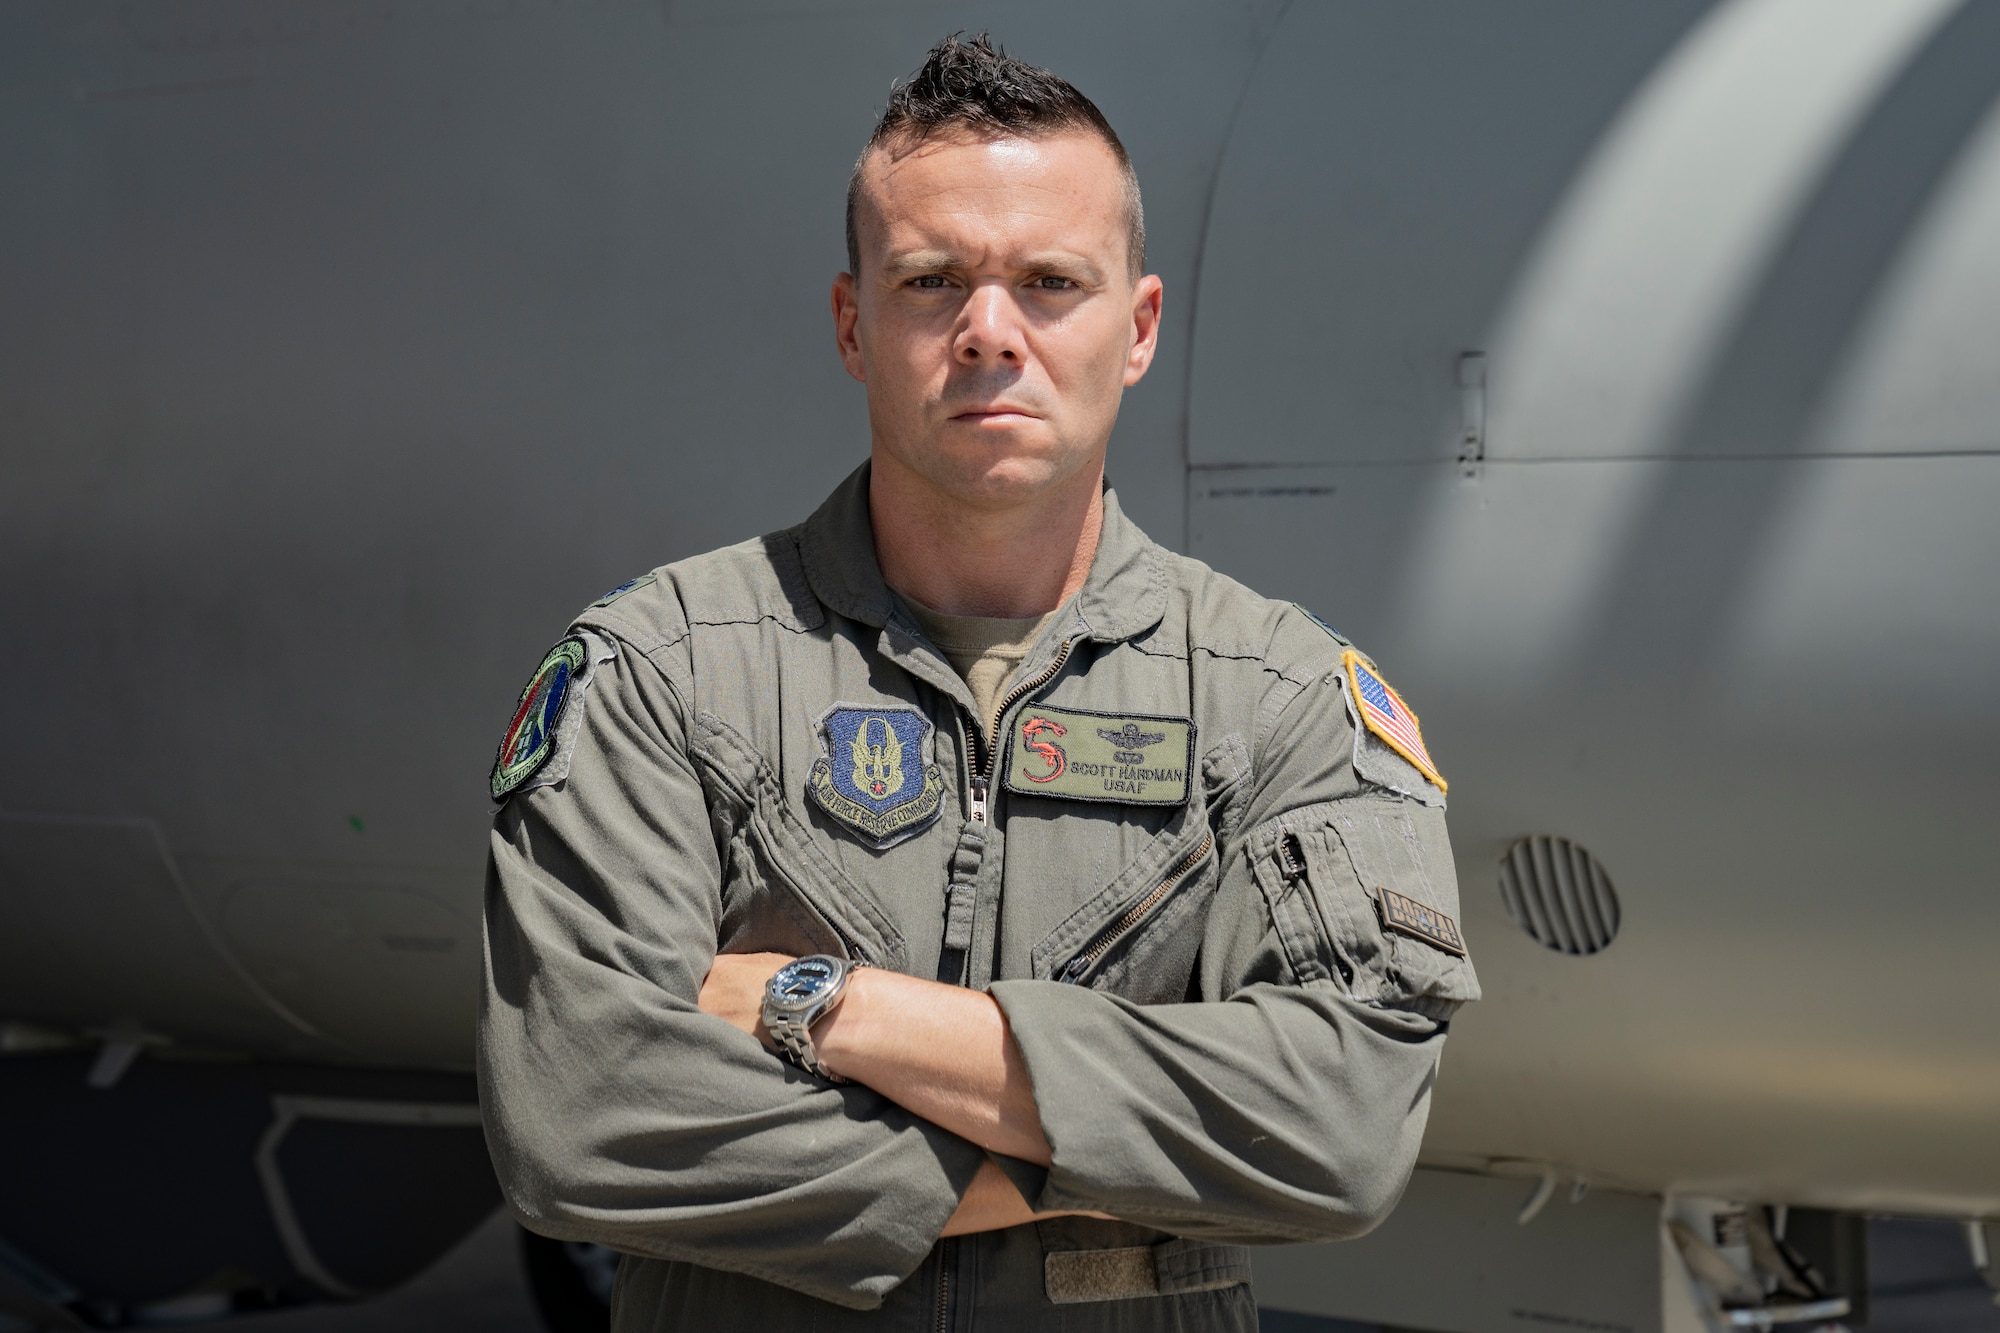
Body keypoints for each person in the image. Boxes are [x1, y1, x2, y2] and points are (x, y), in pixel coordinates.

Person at [479, 32, 1479, 1332]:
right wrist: (1117, 1152)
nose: (989, 333)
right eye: (931, 280)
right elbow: (581, 1116)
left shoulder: (1276, 700)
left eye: (1053, 282)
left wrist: (825, 1005)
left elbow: (1339, 1125)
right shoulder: (664, 671)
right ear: (854, 321)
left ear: (1139, 326)